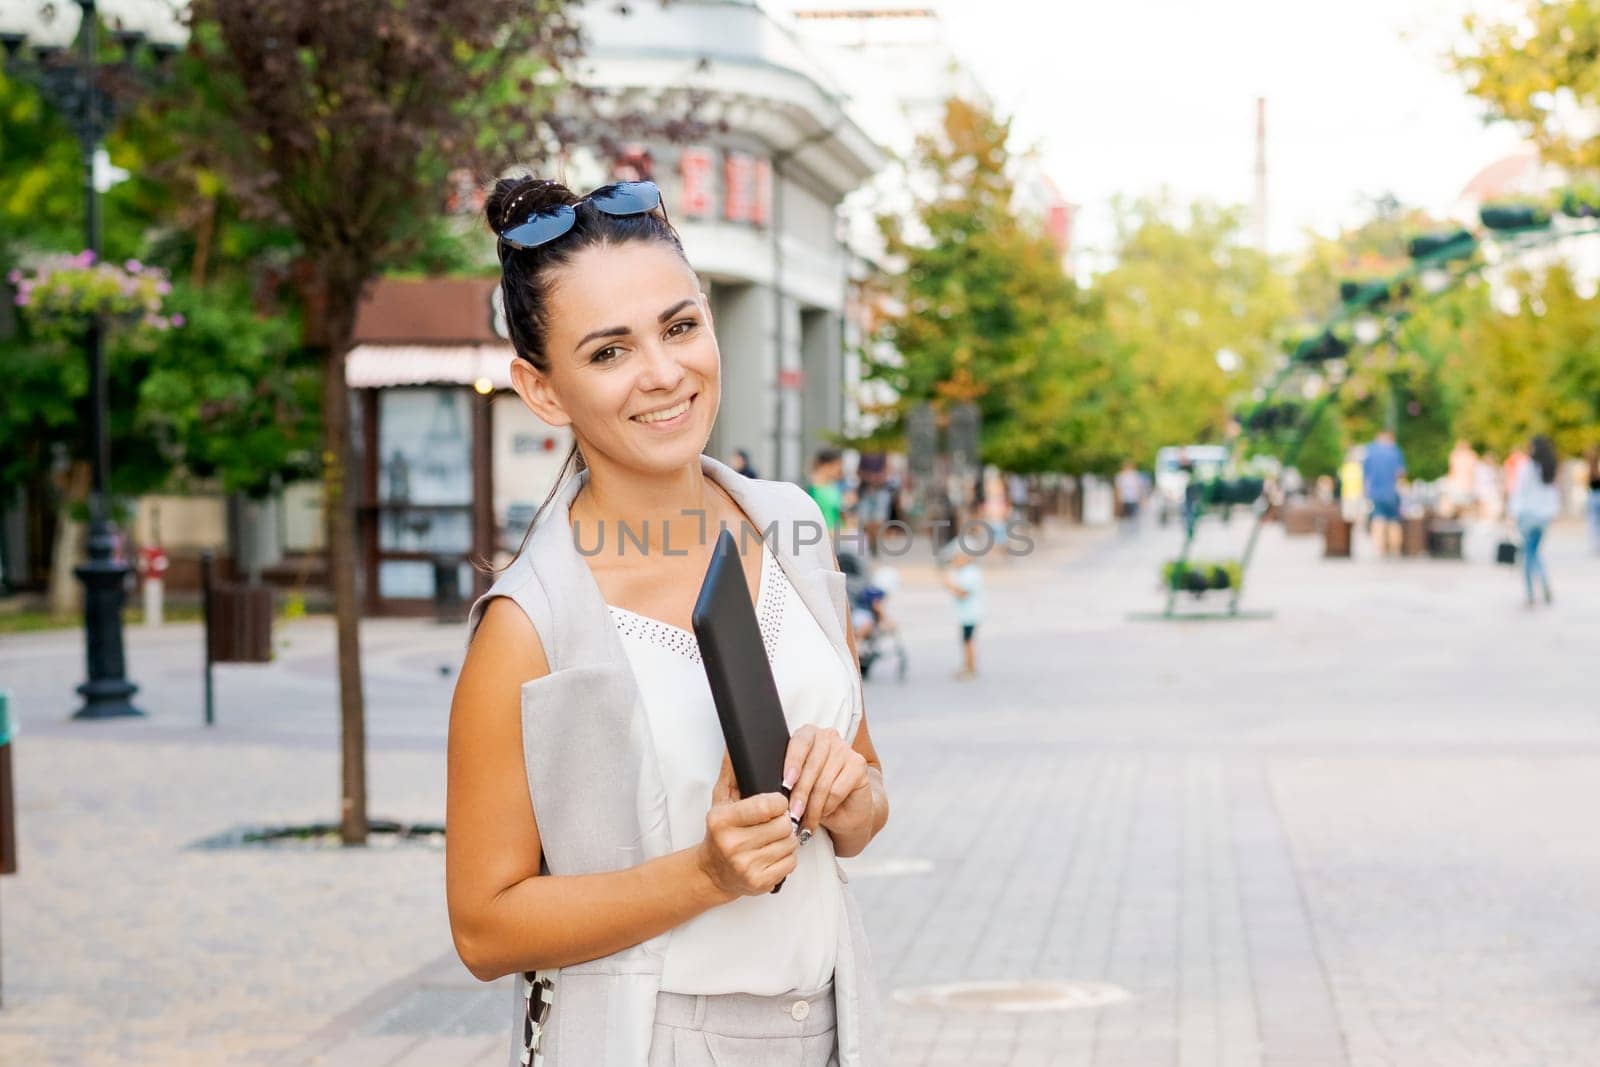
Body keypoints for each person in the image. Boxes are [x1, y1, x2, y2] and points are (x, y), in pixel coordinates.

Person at [447, 176, 888, 1066]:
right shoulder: (530, 625)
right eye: (609, 352)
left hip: (834, 1027)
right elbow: (485, 928)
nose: (662, 373)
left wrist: (850, 795)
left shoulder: (791, 524)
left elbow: (869, 802)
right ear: (542, 389)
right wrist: (704, 875)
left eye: (680, 326)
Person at [1509, 434, 1561, 607]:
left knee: (1528, 555)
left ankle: (1530, 594)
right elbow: (1553, 494)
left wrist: (1513, 512)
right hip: (1544, 517)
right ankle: (1544, 583)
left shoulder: (1528, 467)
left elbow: (1519, 491)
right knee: (1535, 553)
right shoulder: (1549, 468)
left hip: (1528, 516)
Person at [940, 542, 984, 681]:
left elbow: (963, 593)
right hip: (965, 615)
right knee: (965, 641)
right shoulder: (964, 572)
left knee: (968, 642)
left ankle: (971, 668)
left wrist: (949, 585)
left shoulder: (971, 573)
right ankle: (967, 665)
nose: (955, 561)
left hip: (970, 615)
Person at [1363, 430, 1406, 556]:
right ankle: (1395, 549)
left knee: (1378, 520)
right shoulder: (1395, 451)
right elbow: (1400, 473)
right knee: (1394, 521)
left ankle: (1379, 549)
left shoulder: (1370, 451)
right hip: (1391, 492)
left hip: (1375, 493)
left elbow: (1366, 476)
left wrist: (1365, 492)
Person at [806, 448, 846, 539]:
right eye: (837, 465)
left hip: (839, 535)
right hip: (823, 537)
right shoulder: (812, 488)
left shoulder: (833, 486)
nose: (840, 469)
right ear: (826, 465)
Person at [1114, 460, 1144, 529]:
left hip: (1133, 499)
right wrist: (1118, 500)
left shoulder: (1135, 476)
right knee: (1123, 517)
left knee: (1133, 517)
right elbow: (1118, 488)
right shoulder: (1120, 476)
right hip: (1124, 499)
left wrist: (1141, 499)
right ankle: (1124, 529)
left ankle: (1132, 530)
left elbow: (1139, 488)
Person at [1586, 446, 1600, 554]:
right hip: (1594, 494)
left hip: (1593, 495)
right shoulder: (1591, 467)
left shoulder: (1591, 467)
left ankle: (1595, 546)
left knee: (1594, 523)